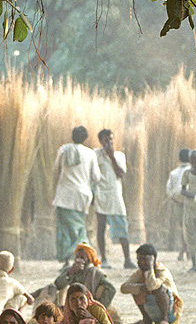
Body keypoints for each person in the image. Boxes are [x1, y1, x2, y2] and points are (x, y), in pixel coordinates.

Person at [52, 126, 101, 265]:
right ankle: (82, 258)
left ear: (72, 136)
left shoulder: (64, 150)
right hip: (82, 196)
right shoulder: (90, 153)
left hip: (65, 195)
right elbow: (96, 177)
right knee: (79, 228)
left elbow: (56, 169)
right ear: (85, 138)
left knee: (65, 228)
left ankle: (68, 259)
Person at [94, 129, 135, 269]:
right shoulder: (96, 154)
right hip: (101, 194)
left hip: (115, 195)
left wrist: (111, 157)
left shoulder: (119, 156)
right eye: (105, 140)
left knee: (122, 226)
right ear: (100, 141)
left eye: (111, 139)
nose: (109, 142)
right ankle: (104, 259)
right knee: (101, 226)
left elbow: (121, 174)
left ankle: (127, 259)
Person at [120, 244, 183, 324]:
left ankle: (164, 321)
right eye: (137, 259)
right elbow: (124, 288)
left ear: (150, 259)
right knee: (136, 289)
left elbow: (152, 286)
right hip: (152, 308)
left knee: (159, 288)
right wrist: (141, 288)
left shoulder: (162, 271)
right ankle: (147, 320)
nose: (138, 263)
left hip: (170, 312)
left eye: (141, 259)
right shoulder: (140, 272)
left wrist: (150, 267)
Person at [54, 243, 116, 308]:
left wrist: (99, 307)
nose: (79, 259)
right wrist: (70, 273)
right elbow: (58, 285)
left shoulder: (95, 273)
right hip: (70, 305)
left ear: (89, 259)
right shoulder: (69, 270)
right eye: (77, 257)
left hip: (87, 306)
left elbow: (111, 289)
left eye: (82, 257)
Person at [166, 148, 190, 260]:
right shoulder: (193, 171)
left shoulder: (173, 173)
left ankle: (184, 250)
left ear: (179, 159)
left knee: (182, 228)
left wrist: (175, 199)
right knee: (190, 228)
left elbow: (169, 190)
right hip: (191, 203)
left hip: (178, 203)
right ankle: (187, 250)